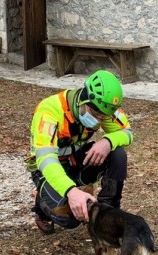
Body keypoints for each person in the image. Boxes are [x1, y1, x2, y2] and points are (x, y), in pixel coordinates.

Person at [25, 70, 133, 234]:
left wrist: (108, 141)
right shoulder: (49, 111)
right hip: (48, 170)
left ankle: (107, 213)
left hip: (77, 161)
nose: (99, 121)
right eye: (96, 115)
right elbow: (46, 159)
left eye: (104, 118)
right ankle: (41, 201)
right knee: (70, 218)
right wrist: (71, 192)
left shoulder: (105, 107)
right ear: (84, 100)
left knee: (117, 155)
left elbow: (127, 133)